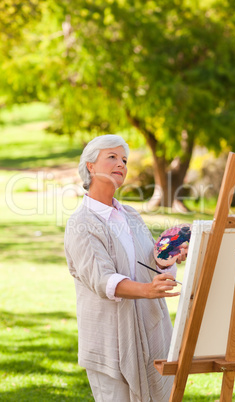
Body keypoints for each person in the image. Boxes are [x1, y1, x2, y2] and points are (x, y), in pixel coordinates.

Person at [64, 134, 187, 402]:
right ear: (90, 166)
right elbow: (102, 280)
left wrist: (165, 261)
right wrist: (146, 289)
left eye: (124, 159)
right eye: (112, 157)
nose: (121, 163)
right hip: (110, 341)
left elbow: (148, 264)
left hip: (149, 329)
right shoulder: (81, 223)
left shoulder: (130, 215)